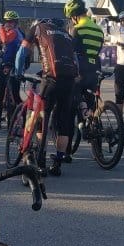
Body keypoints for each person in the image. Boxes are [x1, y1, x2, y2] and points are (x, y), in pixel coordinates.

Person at [16, 18, 79, 176]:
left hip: (51, 78)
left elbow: (22, 52)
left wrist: (17, 73)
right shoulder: (65, 34)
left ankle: (41, 160)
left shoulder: (37, 28)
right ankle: (57, 163)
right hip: (69, 80)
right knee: (63, 119)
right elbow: (75, 60)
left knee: (41, 118)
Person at [0, 11, 23, 129]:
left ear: (16, 23)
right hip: (4, 64)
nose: (9, 24)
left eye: (11, 22)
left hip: (14, 66)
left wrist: (0, 27)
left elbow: (5, 40)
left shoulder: (17, 33)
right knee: (1, 93)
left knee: (15, 95)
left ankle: (22, 116)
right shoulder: (3, 33)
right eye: (7, 21)